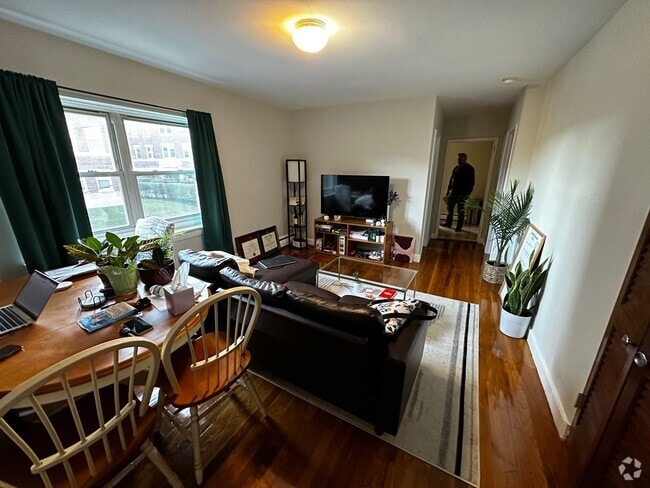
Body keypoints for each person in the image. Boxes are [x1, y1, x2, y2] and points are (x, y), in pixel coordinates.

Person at [443, 152, 475, 231]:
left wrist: (467, 193)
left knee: (460, 210)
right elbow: (452, 180)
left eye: (461, 158)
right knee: (450, 208)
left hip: (462, 193)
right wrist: (448, 191)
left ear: (465, 159)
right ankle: (448, 223)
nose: (459, 160)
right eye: (458, 158)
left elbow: (471, 182)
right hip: (453, 192)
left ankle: (459, 227)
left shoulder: (470, 169)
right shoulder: (456, 168)